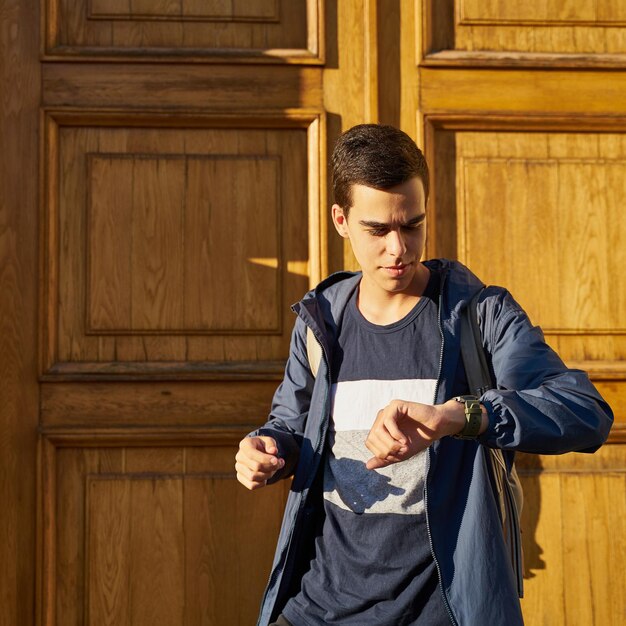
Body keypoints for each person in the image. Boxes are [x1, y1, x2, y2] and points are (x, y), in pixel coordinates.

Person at [234, 124, 613, 626]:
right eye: (378, 230)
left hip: (440, 612)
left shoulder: (480, 315)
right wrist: (267, 451)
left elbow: (586, 412)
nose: (399, 248)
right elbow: (290, 427)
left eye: (412, 225)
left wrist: (460, 415)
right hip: (318, 608)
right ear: (341, 220)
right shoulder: (319, 320)